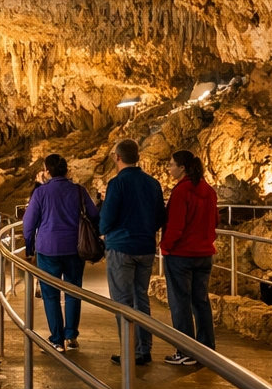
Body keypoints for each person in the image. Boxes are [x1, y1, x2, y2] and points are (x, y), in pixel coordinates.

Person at [21, 154, 99, 351]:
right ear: (66, 170)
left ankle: (57, 339)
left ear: (47, 171)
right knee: (73, 290)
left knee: (50, 294)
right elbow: (94, 216)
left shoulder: (41, 193)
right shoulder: (79, 191)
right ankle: (71, 335)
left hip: (48, 249)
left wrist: (29, 246)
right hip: (75, 248)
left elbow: (28, 223)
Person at [100, 139, 166, 365]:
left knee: (122, 301)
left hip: (121, 247)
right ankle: (143, 349)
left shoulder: (117, 183)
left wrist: (103, 230)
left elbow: (107, 217)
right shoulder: (152, 183)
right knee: (141, 298)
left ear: (117, 157)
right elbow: (160, 216)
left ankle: (129, 351)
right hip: (146, 248)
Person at [161, 150, 219, 364]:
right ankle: (206, 349)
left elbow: (176, 226)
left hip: (181, 254)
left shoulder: (181, 191)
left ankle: (186, 351)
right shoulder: (209, 191)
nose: (169, 168)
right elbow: (216, 220)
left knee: (180, 303)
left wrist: (165, 247)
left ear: (182, 168)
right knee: (201, 301)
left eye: (171, 164)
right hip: (204, 254)